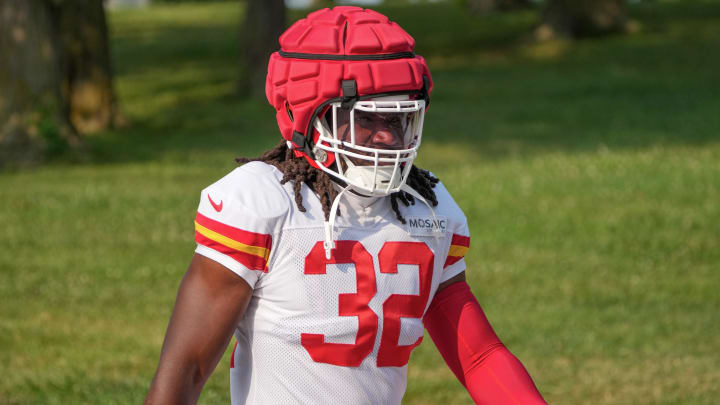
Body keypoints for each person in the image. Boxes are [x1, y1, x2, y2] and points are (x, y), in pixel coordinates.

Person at [145, 6, 547, 405]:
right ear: (307, 114)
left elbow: (478, 357)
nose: (387, 138)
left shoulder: (428, 209)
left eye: (396, 121)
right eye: (368, 118)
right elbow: (189, 367)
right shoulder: (264, 203)